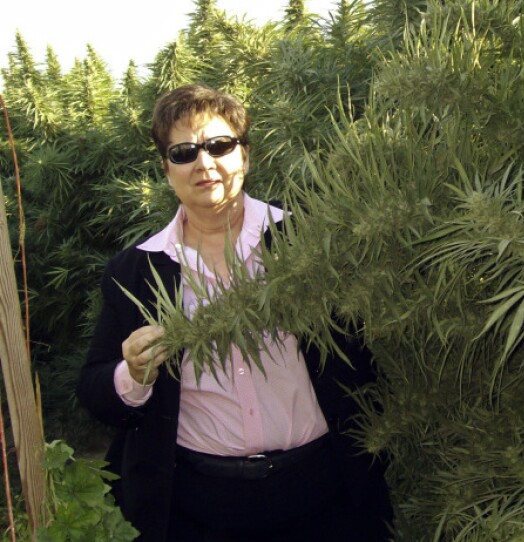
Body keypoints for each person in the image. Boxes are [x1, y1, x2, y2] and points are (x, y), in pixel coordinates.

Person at [77, 83, 393, 542]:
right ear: (166, 169)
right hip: (199, 506)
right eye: (184, 152)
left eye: (218, 146)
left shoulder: (309, 237)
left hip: (324, 492)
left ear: (244, 154)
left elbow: (369, 347)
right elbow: (93, 388)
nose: (204, 164)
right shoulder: (134, 270)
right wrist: (133, 375)